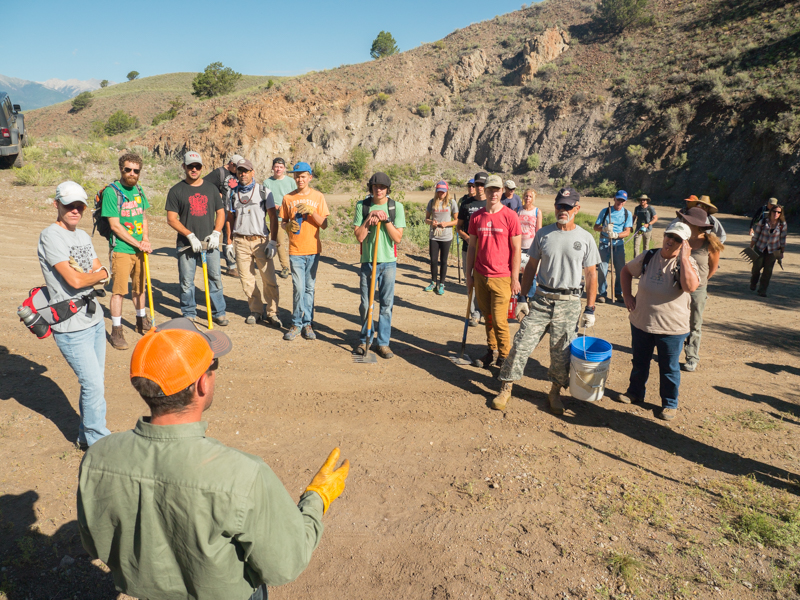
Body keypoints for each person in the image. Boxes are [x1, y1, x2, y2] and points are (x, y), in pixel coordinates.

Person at [77, 317, 350, 600]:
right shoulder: (243, 475)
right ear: (201, 385)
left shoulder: (97, 458)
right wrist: (317, 498)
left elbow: (95, 544)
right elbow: (285, 565)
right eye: (213, 366)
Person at [493, 187, 599, 414]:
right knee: (521, 344)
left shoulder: (586, 238)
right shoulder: (543, 235)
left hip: (569, 302)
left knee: (561, 354)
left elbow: (591, 275)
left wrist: (590, 308)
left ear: (576, 209)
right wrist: (523, 296)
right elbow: (531, 266)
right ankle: (506, 386)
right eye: (560, 206)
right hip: (541, 299)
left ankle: (554, 392)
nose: (563, 210)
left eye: (568, 207)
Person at [38, 181, 112, 449]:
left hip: (93, 318)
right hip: (70, 325)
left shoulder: (82, 237)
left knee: (95, 384)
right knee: (92, 385)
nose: (75, 210)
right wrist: (97, 275)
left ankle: (85, 436)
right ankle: (98, 442)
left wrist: (95, 275)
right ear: (56, 204)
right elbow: (77, 280)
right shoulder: (50, 236)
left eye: (79, 205)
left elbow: (98, 271)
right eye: (68, 205)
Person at [618, 222, 700, 421]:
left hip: (671, 328)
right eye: (669, 235)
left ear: (684, 244)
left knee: (669, 368)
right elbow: (626, 271)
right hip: (641, 322)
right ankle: (635, 392)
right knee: (639, 361)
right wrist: (627, 295)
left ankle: (669, 403)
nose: (670, 240)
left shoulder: (688, 263)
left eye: (678, 239)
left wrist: (686, 259)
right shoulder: (648, 256)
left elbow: (690, 287)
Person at [165, 151, 228, 326]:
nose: (194, 169)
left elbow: (221, 212)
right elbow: (171, 218)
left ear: (201, 167)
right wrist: (189, 235)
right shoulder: (176, 190)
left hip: (210, 243)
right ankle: (189, 312)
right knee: (186, 280)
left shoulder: (211, 188)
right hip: (186, 245)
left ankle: (219, 312)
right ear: (184, 166)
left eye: (197, 166)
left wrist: (216, 232)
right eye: (190, 166)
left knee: (215, 277)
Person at [466, 174, 522, 370]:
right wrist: (469, 275)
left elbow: (517, 250)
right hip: (481, 275)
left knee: (499, 320)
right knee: (488, 318)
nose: (493, 193)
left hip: (502, 277)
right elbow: (472, 248)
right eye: (490, 189)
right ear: (485, 190)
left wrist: (515, 278)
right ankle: (492, 351)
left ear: (501, 191)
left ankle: (505, 357)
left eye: (497, 190)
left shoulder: (510, 216)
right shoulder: (477, 216)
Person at [102, 152, 153, 350]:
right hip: (122, 249)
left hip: (141, 249)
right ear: (121, 169)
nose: (132, 173)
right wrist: (137, 243)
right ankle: (117, 329)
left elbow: (143, 217)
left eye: (136, 170)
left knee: (140, 288)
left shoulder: (139, 190)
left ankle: (141, 321)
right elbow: (115, 226)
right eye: (128, 169)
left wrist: (146, 239)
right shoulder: (111, 192)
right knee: (119, 291)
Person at [352, 172, 406, 358]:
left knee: (386, 304)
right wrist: (369, 218)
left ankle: (383, 343)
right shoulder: (363, 205)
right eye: (375, 187)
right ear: (371, 188)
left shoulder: (396, 207)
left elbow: (397, 238)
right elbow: (359, 236)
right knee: (366, 304)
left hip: (388, 262)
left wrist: (385, 220)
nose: (379, 190)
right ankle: (365, 338)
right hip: (368, 262)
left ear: (387, 189)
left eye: (382, 187)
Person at [226, 159, 282, 327]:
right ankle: (256, 310)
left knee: (269, 279)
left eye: (246, 171)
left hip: (261, 241)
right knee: (246, 280)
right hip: (240, 241)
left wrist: (272, 242)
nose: (243, 174)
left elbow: (273, 217)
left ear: (253, 172)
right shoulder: (232, 193)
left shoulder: (263, 191)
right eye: (240, 171)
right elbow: (230, 218)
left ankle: (273, 312)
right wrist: (229, 242)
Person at [280, 162, 329, 341]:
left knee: (309, 288)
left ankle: (307, 323)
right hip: (296, 250)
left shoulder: (318, 197)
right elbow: (283, 221)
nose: (300, 179)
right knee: (298, 288)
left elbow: (324, 224)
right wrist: (287, 227)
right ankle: (295, 323)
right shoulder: (288, 198)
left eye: (303, 176)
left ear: (310, 177)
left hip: (313, 249)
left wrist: (312, 212)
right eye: (297, 176)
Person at [675, 207, 724, 372]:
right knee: (675, 322)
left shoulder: (709, 245)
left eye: (685, 220)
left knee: (694, 324)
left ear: (694, 224)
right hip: (677, 288)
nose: (682, 222)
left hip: (698, 290)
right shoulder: (681, 240)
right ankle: (673, 353)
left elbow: (713, 268)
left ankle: (691, 357)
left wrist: (699, 282)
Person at [204, 154, 243, 278]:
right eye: (237, 167)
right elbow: (204, 184)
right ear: (231, 164)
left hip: (236, 210)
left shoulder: (238, 173)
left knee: (231, 235)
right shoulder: (219, 173)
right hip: (222, 210)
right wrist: (216, 193)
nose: (239, 170)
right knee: (219, 234)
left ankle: (234, 264)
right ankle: (231, 266)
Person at [457, 172, 487, 326]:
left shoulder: (491, 204)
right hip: (469, 249)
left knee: (486, 282)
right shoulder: (466, 204)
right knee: (471, 280)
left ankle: (485, 311)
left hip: (487, 251)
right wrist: (467, 237)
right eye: (477, 184)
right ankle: (474, 313)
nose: (479, 187)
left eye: (482, 184)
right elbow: (459, 227)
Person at [593, 190, 633, 303]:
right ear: (614, 198)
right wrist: (604, 229)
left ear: (625, 202)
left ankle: (619, 293)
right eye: (619, 199)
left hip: (618, 244)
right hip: (604, 243)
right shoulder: (606, 211)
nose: (620, 202)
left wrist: (616, 235)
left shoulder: (627, 214)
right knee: (602, 269)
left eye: (623, 200)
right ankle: (602, 293)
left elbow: (627, 232)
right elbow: (596, 227)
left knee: (620, 270)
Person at [263, 157, 297, 279]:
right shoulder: (267, 183)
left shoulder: (291, 182)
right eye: (276, 167)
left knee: (295, 241)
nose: (278, 169)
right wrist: (274, 206)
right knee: (279, 243)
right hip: (277, 218)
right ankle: (285, 267)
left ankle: (296, 266)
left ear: (284, 169)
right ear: (272, 168)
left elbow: (295, 196)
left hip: (291, 216)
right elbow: (265, 199)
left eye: (281, 167)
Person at [424, 180, 458, 294]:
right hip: (434, 235)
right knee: (433, 260)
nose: (441, 194)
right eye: (439, 191)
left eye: (443, 192)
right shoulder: (431, 202)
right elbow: (426, 219)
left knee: (443, 260)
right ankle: (433, 282)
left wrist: (446, 224)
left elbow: (457, 220)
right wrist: (431, 222)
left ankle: (442, 284)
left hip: (446, 236)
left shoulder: (451, 203)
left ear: (447, 191)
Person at [750, 203, 787, 298]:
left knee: (768, 271)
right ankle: (753, 282)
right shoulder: (763, 222)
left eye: (779, 212)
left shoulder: (782, 225)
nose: (776, 213)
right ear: (771, 212)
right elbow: (756, 235)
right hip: (760, 247)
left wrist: (782, 252)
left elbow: (782, 240)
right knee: (756, 268)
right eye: (774, 211)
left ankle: (762, 290)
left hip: (773, 251)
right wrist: (751, 246)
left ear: (780, 214)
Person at [518, 188, 542, 298]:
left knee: (531, 274)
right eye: (526, 196)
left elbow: (538, 231)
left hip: (531, 247)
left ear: (534, 198)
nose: (528, 198)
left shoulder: (537, 211)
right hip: (518, 246)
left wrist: (538, 247)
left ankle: (530, 297)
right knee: (518, 273)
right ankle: (518, 296)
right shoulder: (517, 210)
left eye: (530, 196)